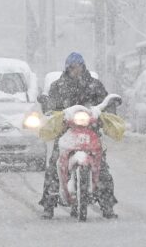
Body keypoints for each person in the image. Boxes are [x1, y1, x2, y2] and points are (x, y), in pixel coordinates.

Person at [38, 52, 118, 219]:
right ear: (67, 68)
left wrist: (108, 109)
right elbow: (51, 107)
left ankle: (107, 205)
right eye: (72, 67)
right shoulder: (58, 86)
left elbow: (105, 102)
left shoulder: (94, 85)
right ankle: (48, 204)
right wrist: (49, 108)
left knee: (102, 167)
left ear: (83, 66)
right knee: (54, 165)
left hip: (91, 132)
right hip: (65, 132)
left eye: (79, 66)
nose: (76, 70)